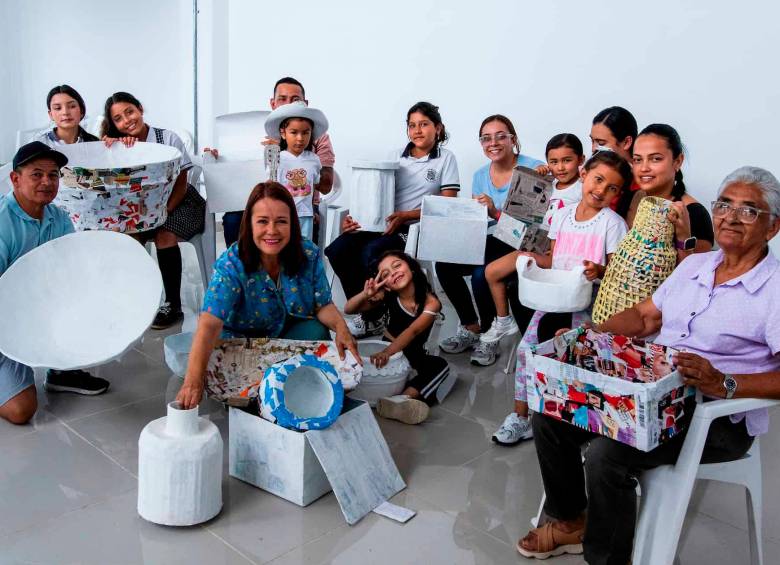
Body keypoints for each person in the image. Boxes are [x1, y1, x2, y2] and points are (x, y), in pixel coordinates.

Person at [516, 166, 780, 563]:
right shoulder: (695, 265)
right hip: (652, 393)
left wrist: (724, 383)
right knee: (550, 415)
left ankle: (606, 558)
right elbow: (645, 318)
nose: (729, 217)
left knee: (606, 455)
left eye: (748, 210)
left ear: (772, 227)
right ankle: (571, 521)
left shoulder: (774, 290)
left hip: (715, 416)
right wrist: (590, 334)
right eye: (724, 205)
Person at [488, 152, 631, 444]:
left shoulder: (613, 224)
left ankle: (573, 424)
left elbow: (617, 274)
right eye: (598, 179)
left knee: (573, 362)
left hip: (587, 304)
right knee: (528, 352)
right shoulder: (562, 216)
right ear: (584, 174)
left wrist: (599, 270)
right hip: (553, 298)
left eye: (612, 187)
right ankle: (520, 417)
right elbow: (553, 259)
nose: (602, 190)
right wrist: (529, 263)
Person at [176, 182, 359, 408]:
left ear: (292, 223)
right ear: (249, 225)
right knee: (227, 375)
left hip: (283, 333)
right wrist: (192, 381)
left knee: (317, 331)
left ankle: (298, 387)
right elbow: (210, 322)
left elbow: (322, 305)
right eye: (262, 221)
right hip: (239, 339)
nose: (272, 230)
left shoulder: (308, 253)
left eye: (281, 221)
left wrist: (342, 328)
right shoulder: (233, 263)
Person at [325, 101, 459, 338]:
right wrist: (357, 218)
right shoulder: (396, 156)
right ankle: (369, 313)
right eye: (412, 125)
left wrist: (407, 215)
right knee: (337, 249)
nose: (417, 130)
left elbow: (448, 202)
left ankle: (374, 315)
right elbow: (374, 193)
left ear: (437, 128)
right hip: (382, 223)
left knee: (371, 253)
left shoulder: (445, 159)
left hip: (413, 228)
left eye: (424, 124)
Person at [0, 143, 111, 424]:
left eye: (53, 175)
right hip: (5, 321)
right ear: (15, 179)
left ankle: (61, 370)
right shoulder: (2, 224)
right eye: (36, 175)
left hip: (33, 313)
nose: (47, 182)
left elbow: (70, 274)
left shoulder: (58, 218)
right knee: (21, 411)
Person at [435, 115, 542, 363]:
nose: (492, 142)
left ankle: (488, 337)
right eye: (486, 138)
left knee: (482, 274)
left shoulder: (533, 169)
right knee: (445, 265)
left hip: (524, 244)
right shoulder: (481, 175)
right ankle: (470, 327)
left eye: (500, 136)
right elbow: (480, 221)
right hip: (494, 238)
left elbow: (531, 228)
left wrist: (494, 211)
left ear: (513, 140)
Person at [101, 91, 206, 329]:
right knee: (129, 238)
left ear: (140, 108)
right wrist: (113, 148)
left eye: (129, 111)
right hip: (141, 208)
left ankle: (172, 304)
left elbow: (181, 182)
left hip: (180, 202)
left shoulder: (168, 138)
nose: (127, 120)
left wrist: (163, 212)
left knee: (164, 235)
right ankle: (138, 303)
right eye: (118, 118)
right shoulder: (120, 146)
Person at [214, 77, 336, 247]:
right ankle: (244, 271)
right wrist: (216, 159)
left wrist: (296, 152)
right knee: (233, 220)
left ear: (305, 103)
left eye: (295, 100)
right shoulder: (255, 132)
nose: (288, 104)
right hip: (256, 202)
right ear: (273, 103)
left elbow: (326, 185)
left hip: (303, 207)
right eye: (282, 99)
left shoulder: (317, 136)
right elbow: (237, 165)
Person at [345, 251, 448, 424]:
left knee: (438, 365)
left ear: (412, 268)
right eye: (385, 274)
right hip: (391, 350)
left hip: (410, 352)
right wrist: (366, 294)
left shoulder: (431, 302)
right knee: (440, 366)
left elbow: (413, 331)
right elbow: (349, 309)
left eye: (397, 265)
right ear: (386, 285)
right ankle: (403, 397)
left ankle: (400, 400)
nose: (393, 273)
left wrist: (387, 352)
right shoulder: (387, 295)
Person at [628, 123, 714, 255]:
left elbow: (697, 273)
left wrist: (683, 237)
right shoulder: (630, 198)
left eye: (655, 159)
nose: (644, 168)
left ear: (678, 161)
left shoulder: (695, 214)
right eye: (638, 160)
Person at [262, 101, 330, 239]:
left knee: (304, 249)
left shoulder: (314, 160)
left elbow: (312, 187)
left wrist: (312, 211)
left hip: (306, 216)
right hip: (282, 215)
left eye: (305, 133)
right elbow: (271, 186)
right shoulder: (277, 158)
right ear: (283, 133)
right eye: (294, 132)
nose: (300, 138)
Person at [589, 106, 639, 217]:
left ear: (626, 142)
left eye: (601, 143)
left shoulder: (641, 184)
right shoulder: (590, 170)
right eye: (592, 141)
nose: (593, 149)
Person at [34, 85, 99, 147]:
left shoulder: (95, 143)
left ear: (81, 111)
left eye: (72, 106)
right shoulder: (39, 144)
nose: (65, 112)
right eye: (58, 108)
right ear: (51, 115)